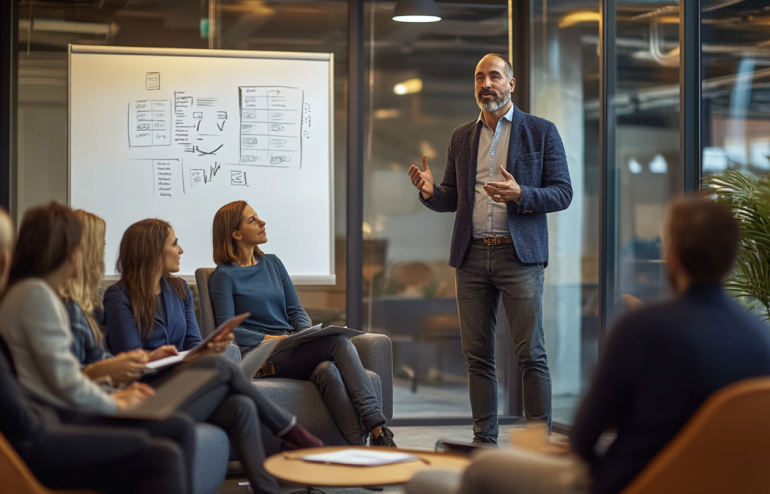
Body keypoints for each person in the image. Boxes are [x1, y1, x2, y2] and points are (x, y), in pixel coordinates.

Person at [405, 195, 770, 494]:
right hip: (708, 484)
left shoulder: (642, 328)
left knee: (462, 471)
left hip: (623, 484)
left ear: (671, 256)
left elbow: (583, 440)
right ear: (731, 258)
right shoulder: (760, 339)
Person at [407, 53, 572, 442]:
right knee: (477, 358)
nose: (486, 84)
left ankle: (538, 445)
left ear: (510, 84)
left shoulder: (541, 131)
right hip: (472, 255)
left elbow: (563, 192)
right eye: (479, 77)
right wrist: (431, 192)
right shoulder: (461, 136)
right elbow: (453, 198)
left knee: (531, 354)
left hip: (520, 256)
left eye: (494, 76)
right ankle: (484, 440)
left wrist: (522, 193)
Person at [102, 217, 324, 494]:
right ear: (152, 250)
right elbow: (129, 362)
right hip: (146, 394)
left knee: (240, 406)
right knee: (220, 366)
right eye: (175, 244)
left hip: (181, 385)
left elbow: (194, 343)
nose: (181, 250)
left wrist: (206, 349)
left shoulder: (179, 290)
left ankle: (266, 489)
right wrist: (157, 357)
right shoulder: (118, 297)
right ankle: (291, 430)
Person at [0, 203, 194, 494]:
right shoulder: (36, 295)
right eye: (83, 245)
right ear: (67, 251)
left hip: (52, 416)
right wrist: (116, 402)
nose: (90, 253)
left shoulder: (26, 293)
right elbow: (66, 383)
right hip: (52, 423)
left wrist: (115, 389)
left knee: (175, 430)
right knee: (164, 449)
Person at [209, 200, 396, 447]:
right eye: (252, 220)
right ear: (236, 234)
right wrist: (270, 340)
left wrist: (305, 334)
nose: (262, 222)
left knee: (327, 370)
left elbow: (295, 311)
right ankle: (377, 428)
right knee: (338, 343)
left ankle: (359, 450)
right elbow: (227, 330)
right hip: (261, 357)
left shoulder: (273, 263)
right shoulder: (223, 276)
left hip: (291, 348)